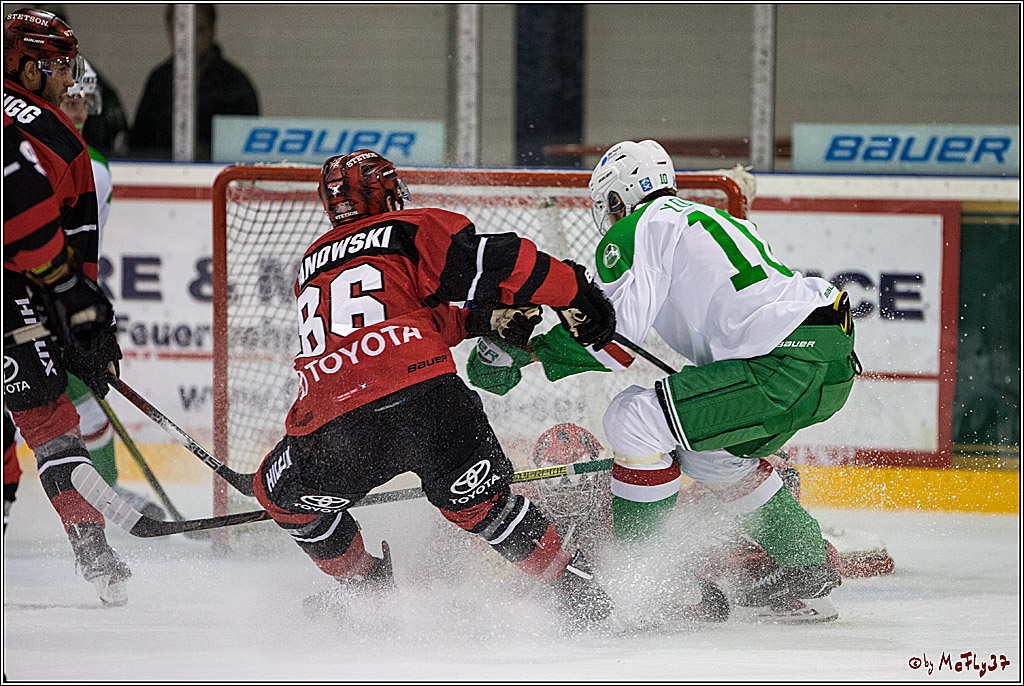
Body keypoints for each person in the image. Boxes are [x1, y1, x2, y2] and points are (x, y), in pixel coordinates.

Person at [467, 139, 859, 615]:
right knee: (713, 458)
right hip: (828, 362)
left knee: (633, 418)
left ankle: (638, 579)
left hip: (781, 364)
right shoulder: (708, 220)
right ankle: (806, 564)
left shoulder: (639, 225)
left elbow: (614, 338)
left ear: (617, 199)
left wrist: (531, 352)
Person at [250, 149, 618, 630]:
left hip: (337, 428)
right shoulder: (406, 228)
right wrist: (573, 290)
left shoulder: (310, 265)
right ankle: (576, 592)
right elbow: (499, 260)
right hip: (428, 404)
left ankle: (368, 593)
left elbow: (391, 320)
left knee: (277, 494)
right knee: (483, 507)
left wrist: (479, 319)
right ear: (385, 190)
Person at [4, 8, 129, 606]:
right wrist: (85, 322)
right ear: (25, 67)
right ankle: (92, 546)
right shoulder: (60, 141)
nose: (68, 80)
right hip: (16, 292)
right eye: (57, 68)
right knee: (50, 423)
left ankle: (90, 544)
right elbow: (72, 262)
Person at [60, 57, 165, 520]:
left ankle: (104, 498)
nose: (78, 104)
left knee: (84, 413)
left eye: (84, 95)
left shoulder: (93, 166)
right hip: (38, 303)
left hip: (45, 303)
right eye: (70, 94)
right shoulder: (82, 164)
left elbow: (78, 252)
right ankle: (104, 498)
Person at [130, 3, 259, 160]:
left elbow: (247, 147)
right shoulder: (159, 81)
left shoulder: (234, 84)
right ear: (169, 32)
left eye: (198, 30)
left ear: (212, 31)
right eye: (181, 29)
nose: (189, 38)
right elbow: (139, 142)